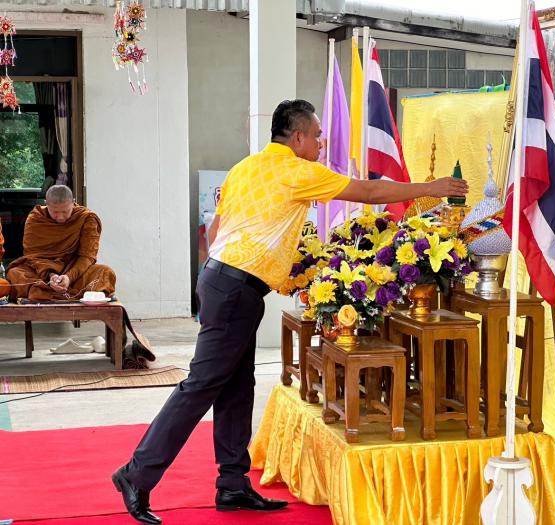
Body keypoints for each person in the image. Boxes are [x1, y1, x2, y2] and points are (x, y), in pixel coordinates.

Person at [112, 99, 468, 524]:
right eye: (317, 136)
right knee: (201, 386)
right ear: (297, 137)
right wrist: (432, 188)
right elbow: (369, 192)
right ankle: (136, 474)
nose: (320, 144)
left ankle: (232, 484)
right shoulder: (297, 171)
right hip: (234, 286)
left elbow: (215, 229)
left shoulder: (245, 167)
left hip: (223, 280)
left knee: (237, 385)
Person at [6, 185, 116, 302]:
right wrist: (51, 275)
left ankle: (41, 294)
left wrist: (68, 277)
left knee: (105, 272)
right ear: (46, 204)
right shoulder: (36, 218)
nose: (60, 217)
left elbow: (87, 256)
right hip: (42, 272)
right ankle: (72, 295)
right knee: (15, 274)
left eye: (65, 211)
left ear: (73, 203)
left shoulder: (86, 218)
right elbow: (32, 256)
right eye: (55, 212)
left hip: (74, 269)